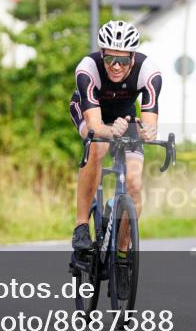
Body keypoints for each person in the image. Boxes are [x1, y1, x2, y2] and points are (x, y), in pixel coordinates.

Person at [69, 20, 161, 254]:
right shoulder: (88, 69)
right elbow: (95, 125)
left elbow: (149, 123)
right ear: (102, 55)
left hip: (125, 118)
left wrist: (147, 132)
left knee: (135, 182)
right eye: (110, 59)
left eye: (122, 60)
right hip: (90, 113)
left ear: (133, 57)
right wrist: (110, 132)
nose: (116, 66)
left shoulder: (149, 72)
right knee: (97, 148)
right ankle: (81, 225)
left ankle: (121, 251)